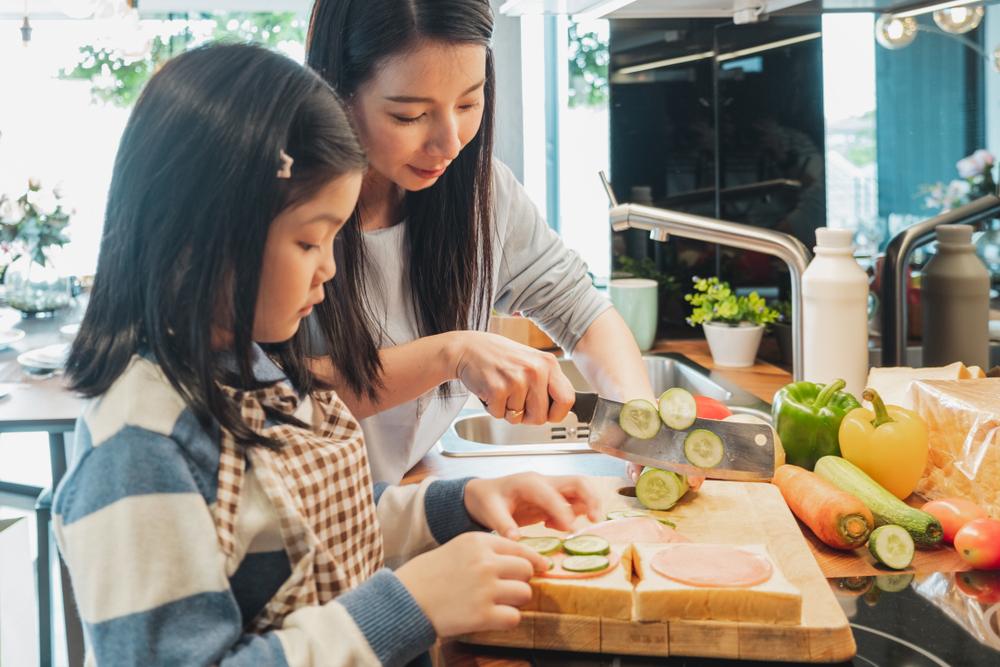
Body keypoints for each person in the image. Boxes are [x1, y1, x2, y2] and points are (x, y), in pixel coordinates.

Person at [54, 42, 603, 666]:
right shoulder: (138, 450)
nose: (329, 270)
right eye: (310, 241)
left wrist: (459, 505)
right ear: (210, 236)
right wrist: (411, 604)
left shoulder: (250, 368)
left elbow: (317, 521)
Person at [305, 0, 655, 483]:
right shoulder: (279, 204)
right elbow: (268, 393)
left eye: (469, 102)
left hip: (398, 504)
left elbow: (581, 311)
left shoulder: (480, 192)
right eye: (410, 115)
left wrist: (642, 427)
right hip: (294, 520)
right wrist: (452, 355)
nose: (450, 143)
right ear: (338, 91)